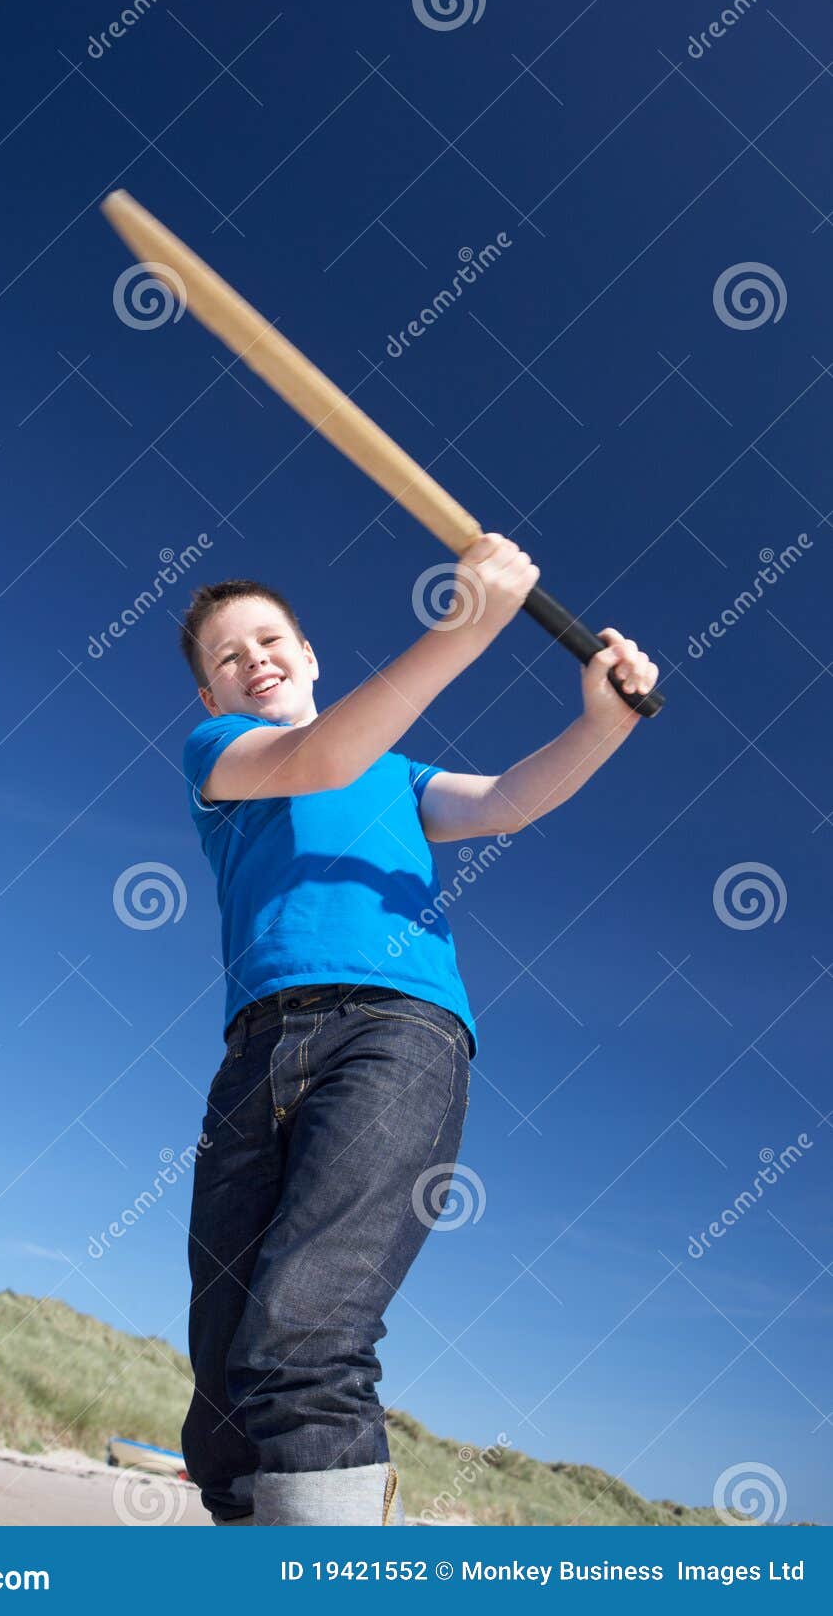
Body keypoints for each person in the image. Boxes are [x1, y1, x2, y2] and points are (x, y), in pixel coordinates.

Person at [176, 533, 659, 1525]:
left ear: (309, 654)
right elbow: (320, 755)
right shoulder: (222, 757)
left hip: (395, 1037)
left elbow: (509, 802)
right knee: (224, 1364)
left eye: (270, 638)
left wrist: (603, 724)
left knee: (301, 1326)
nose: (254, 657)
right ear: (211, 698)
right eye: (228, 657)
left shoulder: (394, 776)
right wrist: (463, 627)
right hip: (254, 1054)